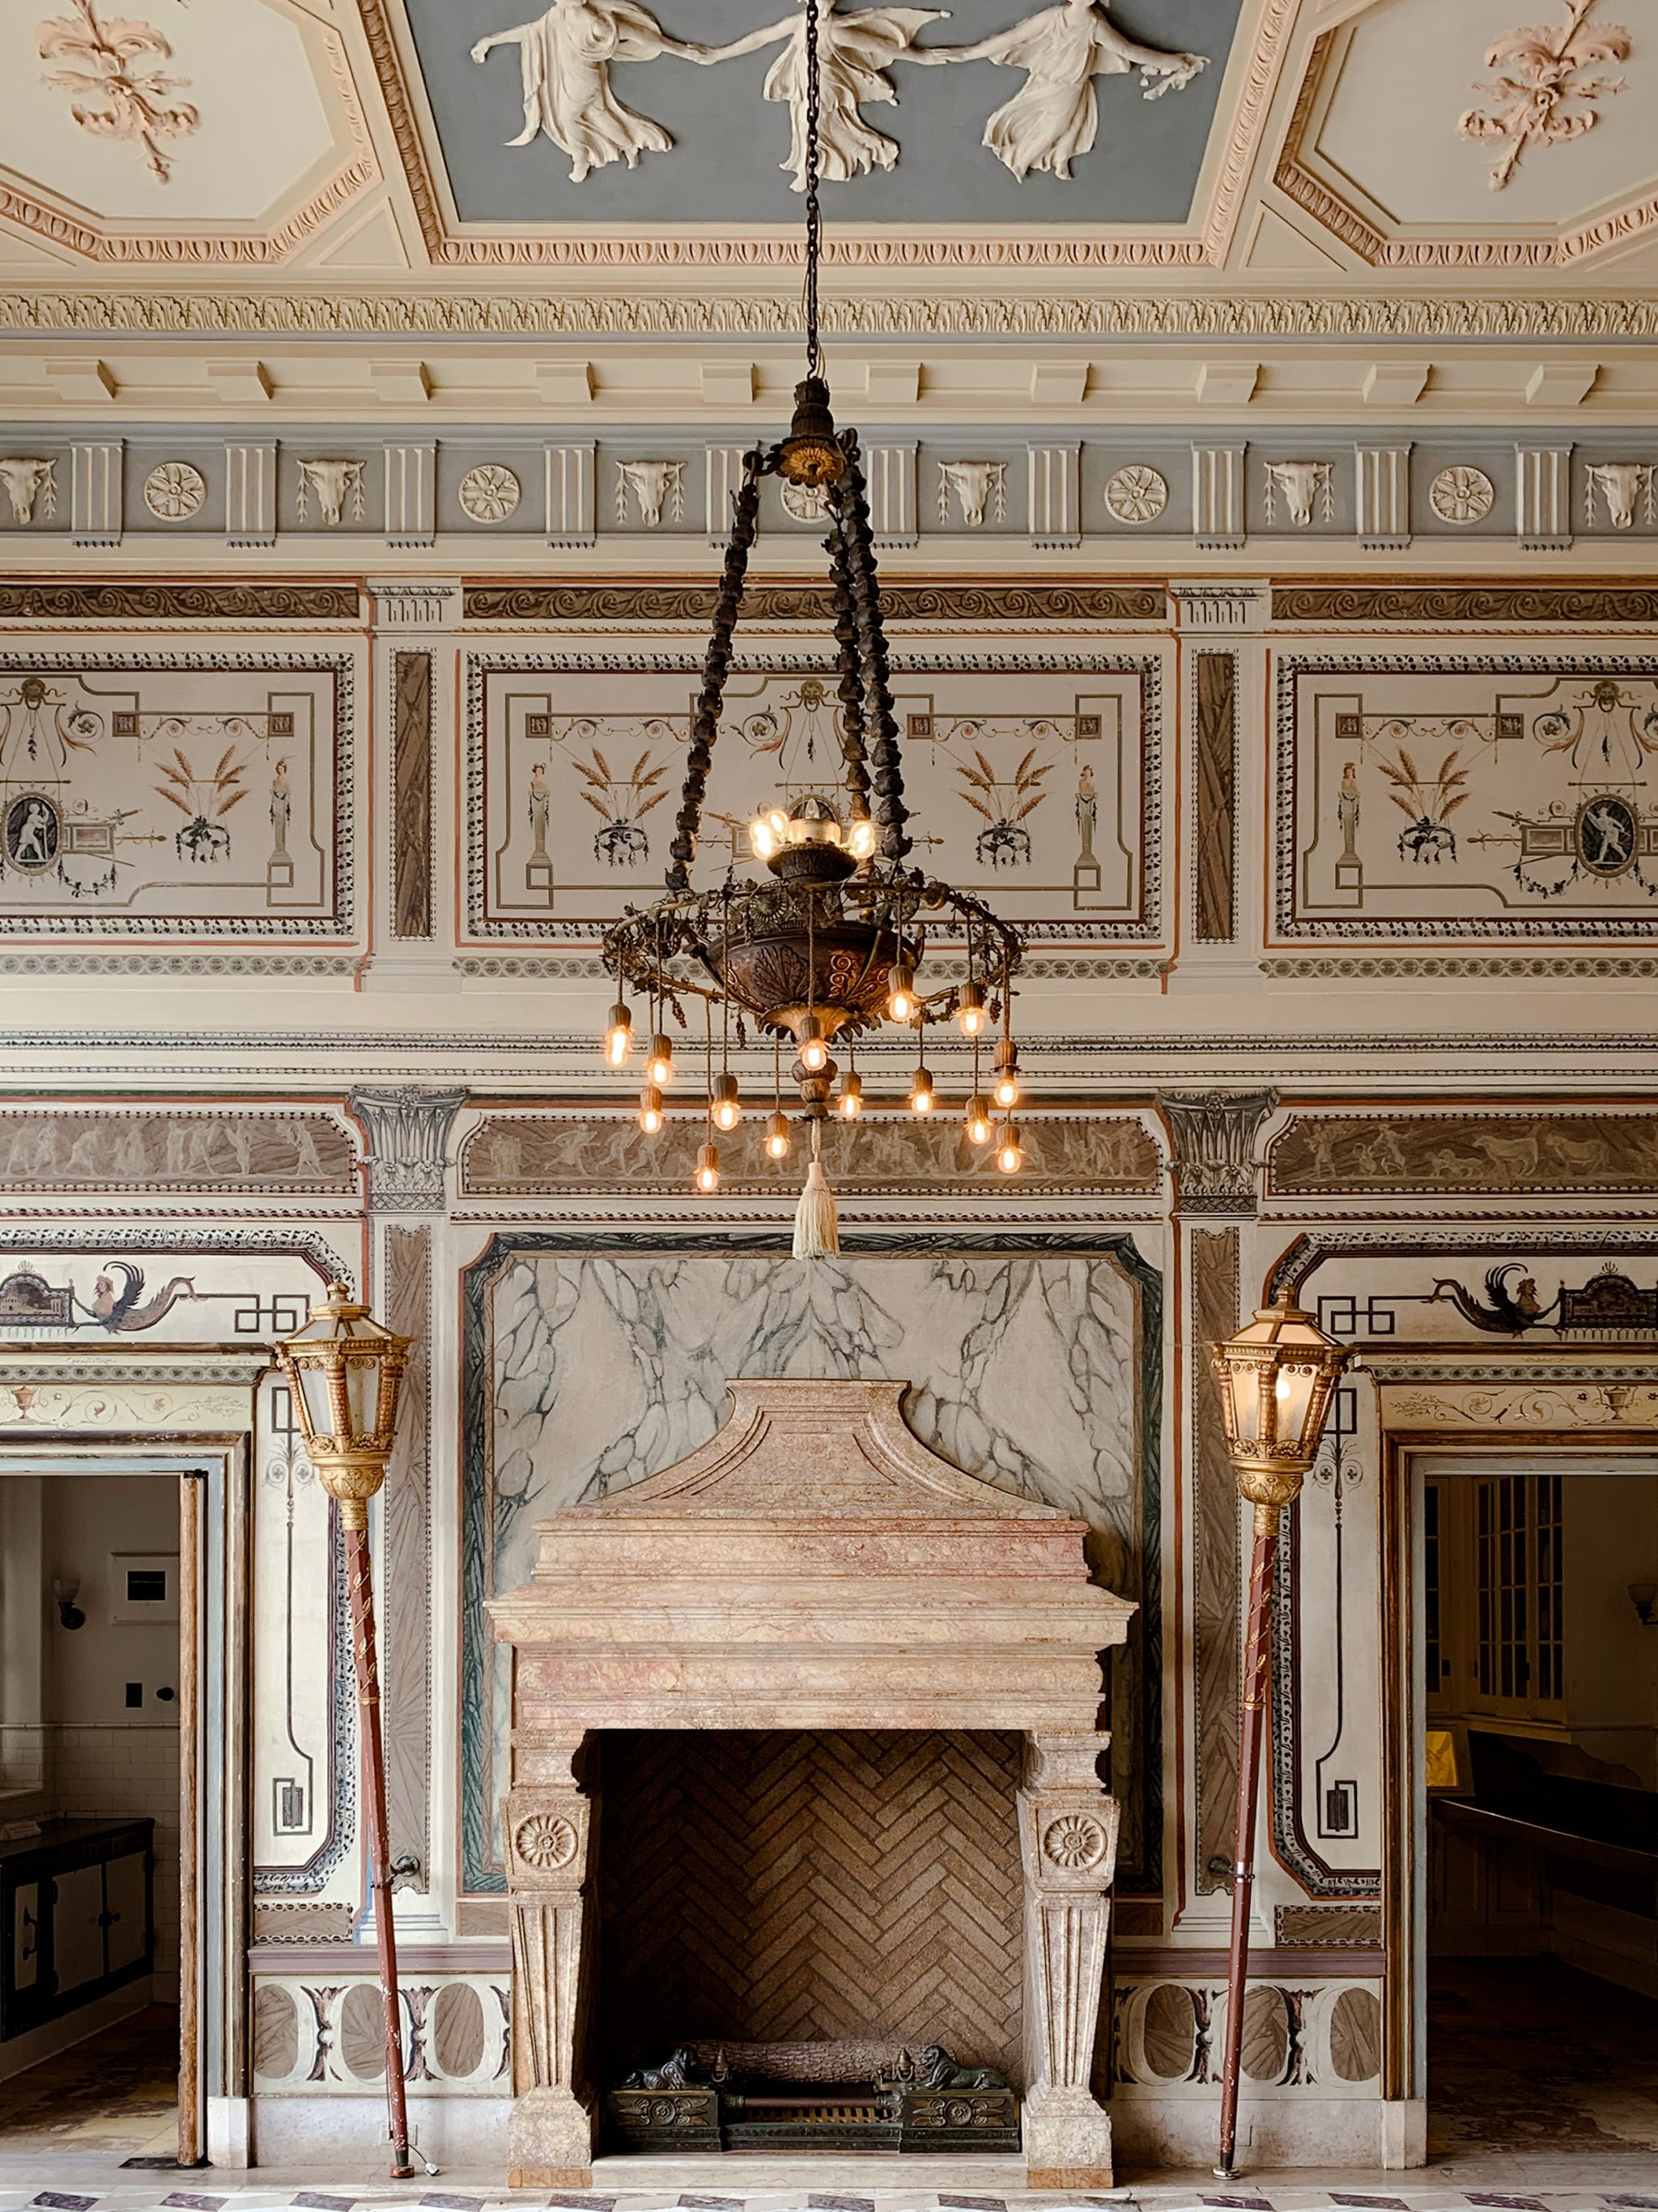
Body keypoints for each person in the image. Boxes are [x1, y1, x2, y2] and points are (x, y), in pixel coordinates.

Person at [918, 0, 1206, 182]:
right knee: (1042, 120)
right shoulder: (1054, 17)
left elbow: (1129, 50)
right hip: (1047, 80)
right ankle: (1025, 158)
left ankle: (1030, 160)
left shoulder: (1094, 25)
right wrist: (967, 53)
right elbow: (1011, 38)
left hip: (1068, 87)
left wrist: (1170, 61)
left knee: (1062, 125)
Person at [471, 0, 717, 181]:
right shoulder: (558, 15)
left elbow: (639, 34)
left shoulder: (595, 23)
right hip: (576, 78)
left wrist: (680, 50)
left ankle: (580, 159)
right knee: (598, 113)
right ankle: (628, 146)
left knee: (569, 118)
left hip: (583, 79)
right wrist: (490, 41)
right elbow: (529, 31)